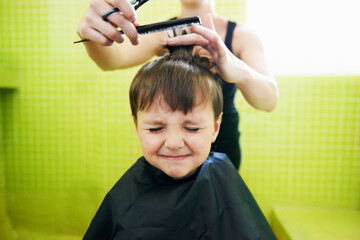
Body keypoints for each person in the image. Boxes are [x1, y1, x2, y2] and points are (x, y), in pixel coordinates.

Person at [82, 45, 276, 239]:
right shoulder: (124, 195)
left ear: (215, 129)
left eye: (192, 128)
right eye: (156, 129)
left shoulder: (224, 182)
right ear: (137, 126)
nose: (174, 143)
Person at [76, 0, 279, 169]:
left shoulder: (242, 36)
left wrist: (238, 68)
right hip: (174, 155)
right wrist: (93, 34)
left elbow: (269, 101)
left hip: (223, 147)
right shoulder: (161, 33)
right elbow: (113, 60)